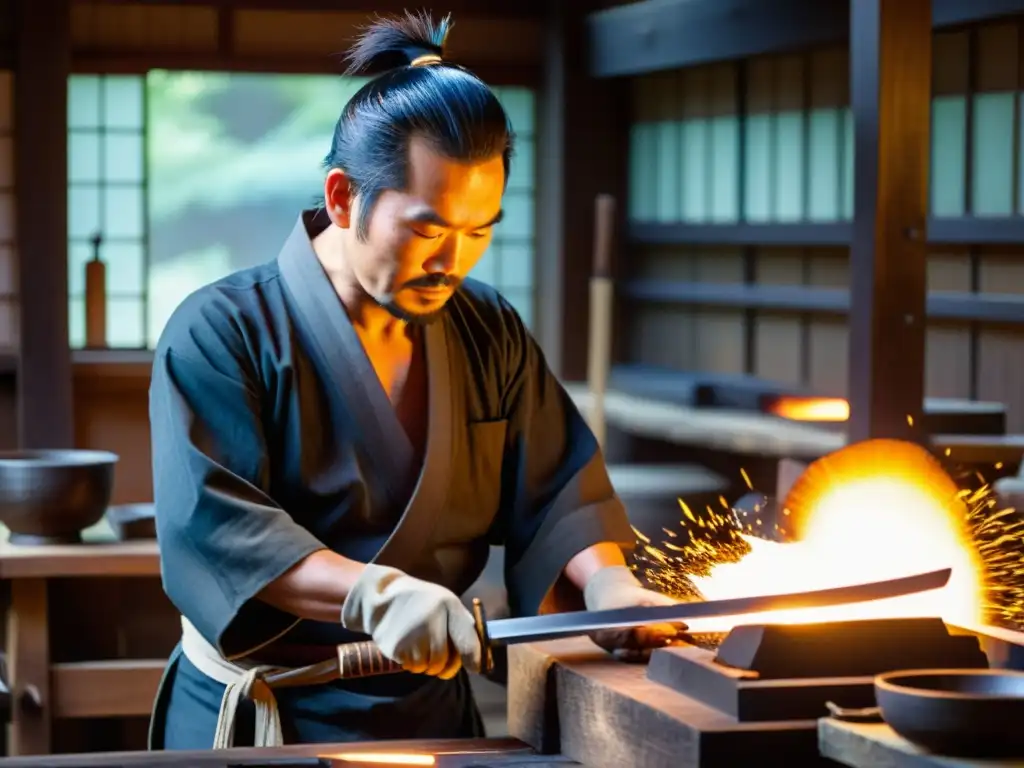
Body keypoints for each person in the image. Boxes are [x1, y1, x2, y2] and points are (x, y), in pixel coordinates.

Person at [147, 11, 683, 751]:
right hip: (266, 722)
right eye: (429, 231)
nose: (454, 262)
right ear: (342, 198)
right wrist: (373, 593)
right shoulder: (220, 331)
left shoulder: (486, 329)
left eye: (479, 231)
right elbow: (216, 524)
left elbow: (558, 487)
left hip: (427, 716)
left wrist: (607, 586)